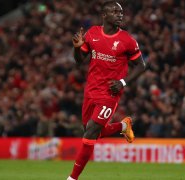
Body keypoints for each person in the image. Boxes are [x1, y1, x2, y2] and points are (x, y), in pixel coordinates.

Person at [67, 1, 146, 179]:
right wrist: (77, 48)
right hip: (91, 90)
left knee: (90, 133)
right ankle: (123, 126)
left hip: (110, 93)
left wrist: (123, 83)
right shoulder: (92, 33)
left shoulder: (127, 40)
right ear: (105, 15)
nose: (120, 15)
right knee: (91, 131)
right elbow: (79, 61)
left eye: (121, 12)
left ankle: (72, 178)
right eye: (115, 12)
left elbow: (141, 66)